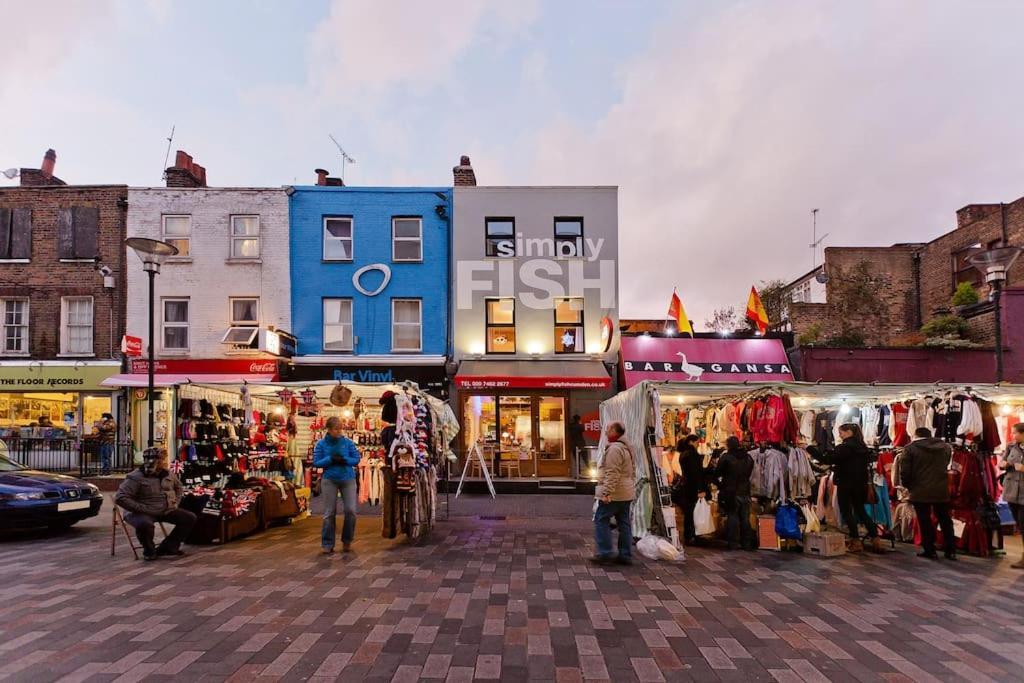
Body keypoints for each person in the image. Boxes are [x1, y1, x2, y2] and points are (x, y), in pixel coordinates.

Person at [115, 447, 196, 561]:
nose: (151, 462)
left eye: (157, 459)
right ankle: (149, 550)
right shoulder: (136, 477)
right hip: (141, 512)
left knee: (189, 518)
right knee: (145, 524)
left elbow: (179, 487)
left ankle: (168, 547)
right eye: (148, 459)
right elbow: (120, 497)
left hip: (165, 509)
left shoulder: (168, 474)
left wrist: (175, 502)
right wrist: (141, 508)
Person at [901, 426, 956, 560]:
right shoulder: (945, 447)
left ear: (916, 435)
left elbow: (905, 472)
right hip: (941, 489)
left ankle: (929, 549)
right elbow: (946, 465)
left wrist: (908, 486)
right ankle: (950, 549)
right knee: (945, 520)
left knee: (925, 520)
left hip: (919, 490)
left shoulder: (910, 449)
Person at [313, 416, 362, 554]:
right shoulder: (321, 444)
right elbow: (316, 462)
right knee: (329, 513)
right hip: (330, 480)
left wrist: (344, 459)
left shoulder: (348, 443)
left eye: (341, 428)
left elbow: (356, 459)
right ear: (329, 429)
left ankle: (347, 540)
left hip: (348, 479)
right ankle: (327, 542)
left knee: (351, 511)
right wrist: (330, 459)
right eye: (336, 429)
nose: (339, 431)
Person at [830, 423, 881, 553]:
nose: (840, 435)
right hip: (860, 484)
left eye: (841, 432)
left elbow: (829, 459)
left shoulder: (844, 448)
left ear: (848, 432)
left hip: (845, 483)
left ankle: (856, 541)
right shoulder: (863, 447)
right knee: (861, 511)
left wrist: (810, 450)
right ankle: (876, 539)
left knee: (847, 512)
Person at [592, 421, 636, 566]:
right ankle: (625, 554)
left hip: (615, 493)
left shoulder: (615, 449)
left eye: (607, 430)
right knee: (624, 523)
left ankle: (605, 553)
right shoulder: (627, 447)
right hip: (626, 492)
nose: (605, 432)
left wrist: (606, 492)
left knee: (601, 519)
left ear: (614, 431)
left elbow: (612, 473)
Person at [716, 436, 755, 550]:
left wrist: (721, 484)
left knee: (733, 516)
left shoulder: (726, 457)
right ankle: (746, 543)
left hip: (731, 491)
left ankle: (733, 542)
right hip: (745, 491)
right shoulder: (748, 457)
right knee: (745, 518)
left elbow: (718, 472)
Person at [998, 422, 1024, 569]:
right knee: (1019, 524)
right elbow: (1002, 462)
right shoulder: (1011, 446)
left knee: (1023, 524)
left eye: (1015, 433)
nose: (1013, 435)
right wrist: (1003, 464)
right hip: (1011, 491)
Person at [675, 434, 709, 546]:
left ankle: (689, 535)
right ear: (691, 442)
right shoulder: (692, 455)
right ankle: (690, 536)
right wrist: (701, 488)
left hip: (687, 486)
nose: (698, 444)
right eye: (697, 442)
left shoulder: (684, 454)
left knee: (689, 512)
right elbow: (696, 473)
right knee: (692, 512)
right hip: (693, 487)